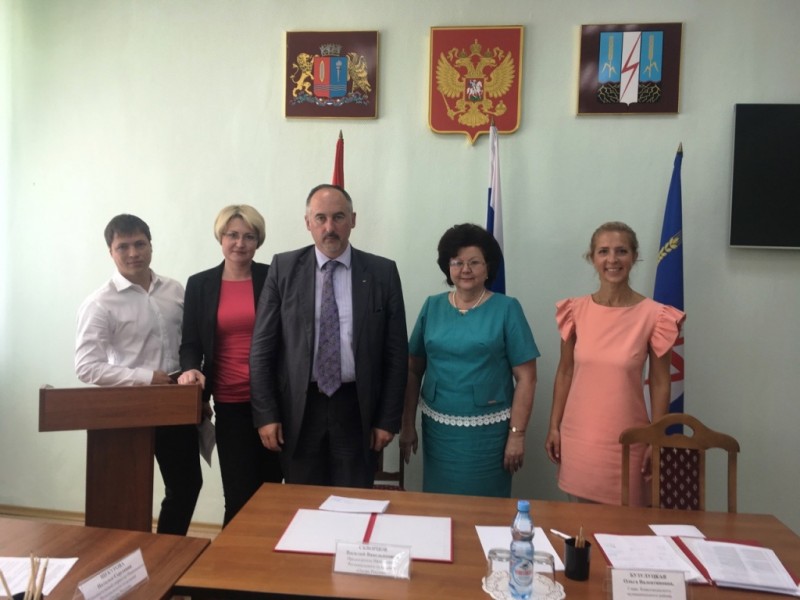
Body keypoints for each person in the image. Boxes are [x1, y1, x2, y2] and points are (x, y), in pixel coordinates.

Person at [249, 184, 408, 488]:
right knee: (302, 501)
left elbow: (396, 353)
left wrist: (387, 420)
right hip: (299, 409)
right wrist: (266, 414)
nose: (329, 227)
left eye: (338, 217)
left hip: (356, 408)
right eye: (320, 218)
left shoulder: (382, 272)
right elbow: (262, 350)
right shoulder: (283, 269)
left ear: (353, 220)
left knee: (353, 500)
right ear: (308, 222)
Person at [75, 214, 201, 535]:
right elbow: (87, 366)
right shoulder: (99, 303)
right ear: (111, 252)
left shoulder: (175, 290)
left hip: (175, 402)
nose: (133, 253)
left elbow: (191, 343)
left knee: (186, 485)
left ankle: (166, 549)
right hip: (129, 406)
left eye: (140, 244)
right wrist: (146, 378)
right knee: (128, 492)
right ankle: (128, 555)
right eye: (123, 247)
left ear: (151, 246)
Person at [544, 221, 686, 506]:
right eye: (603, 251)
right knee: (580, 526)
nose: (612, 259)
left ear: (634, 257)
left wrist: (656, 437)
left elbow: (660, 383)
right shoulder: (574, 311)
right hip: (578, 439)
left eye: (621, 251)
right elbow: (565, 372)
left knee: (627, 525)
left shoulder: (655, 316)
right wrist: (554, 426)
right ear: (592, 258)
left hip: (629, 440)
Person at [399, 224, 539, 497]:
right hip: (438, 431)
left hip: (489, 436)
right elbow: (413, 370)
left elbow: (527, 378)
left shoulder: (507, 309)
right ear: (447, 267)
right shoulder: (432, 306)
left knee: (485, 509)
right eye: (457, 262)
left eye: (474, 262)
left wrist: (517, 435)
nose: (466, 269)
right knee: (441, 506)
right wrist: (407, 425)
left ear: (488, 268)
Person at [178, 205, 282, 526]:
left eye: (249, 236)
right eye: (232, 235)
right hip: (229, 403)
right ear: (220, 238)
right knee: (238, 496)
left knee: (272, 492)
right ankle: (233, 558)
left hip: (274, 403)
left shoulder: (274, 277)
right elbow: (190, 343)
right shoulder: (200, 284)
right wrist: (190, 368)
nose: (240, 243)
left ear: (258, 240)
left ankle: (266, 556)